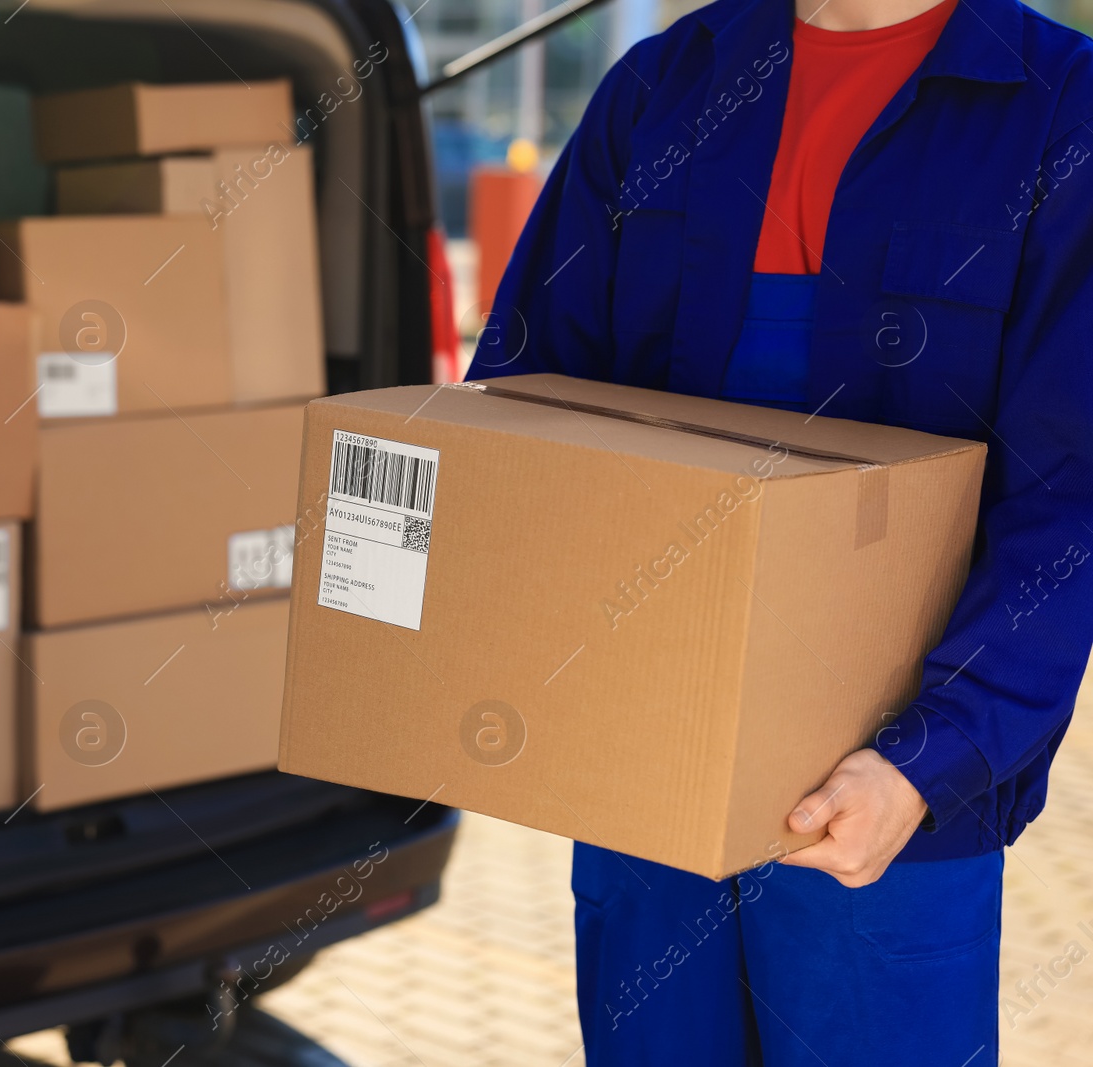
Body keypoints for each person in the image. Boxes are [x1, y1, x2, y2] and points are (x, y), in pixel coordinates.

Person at [467, 0, 1093, 1061]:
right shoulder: (662, 90)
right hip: (644, 771)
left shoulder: (1057, 110)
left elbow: (1069, 494)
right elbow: (526, 405)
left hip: (886, 806)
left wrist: (928, 757)